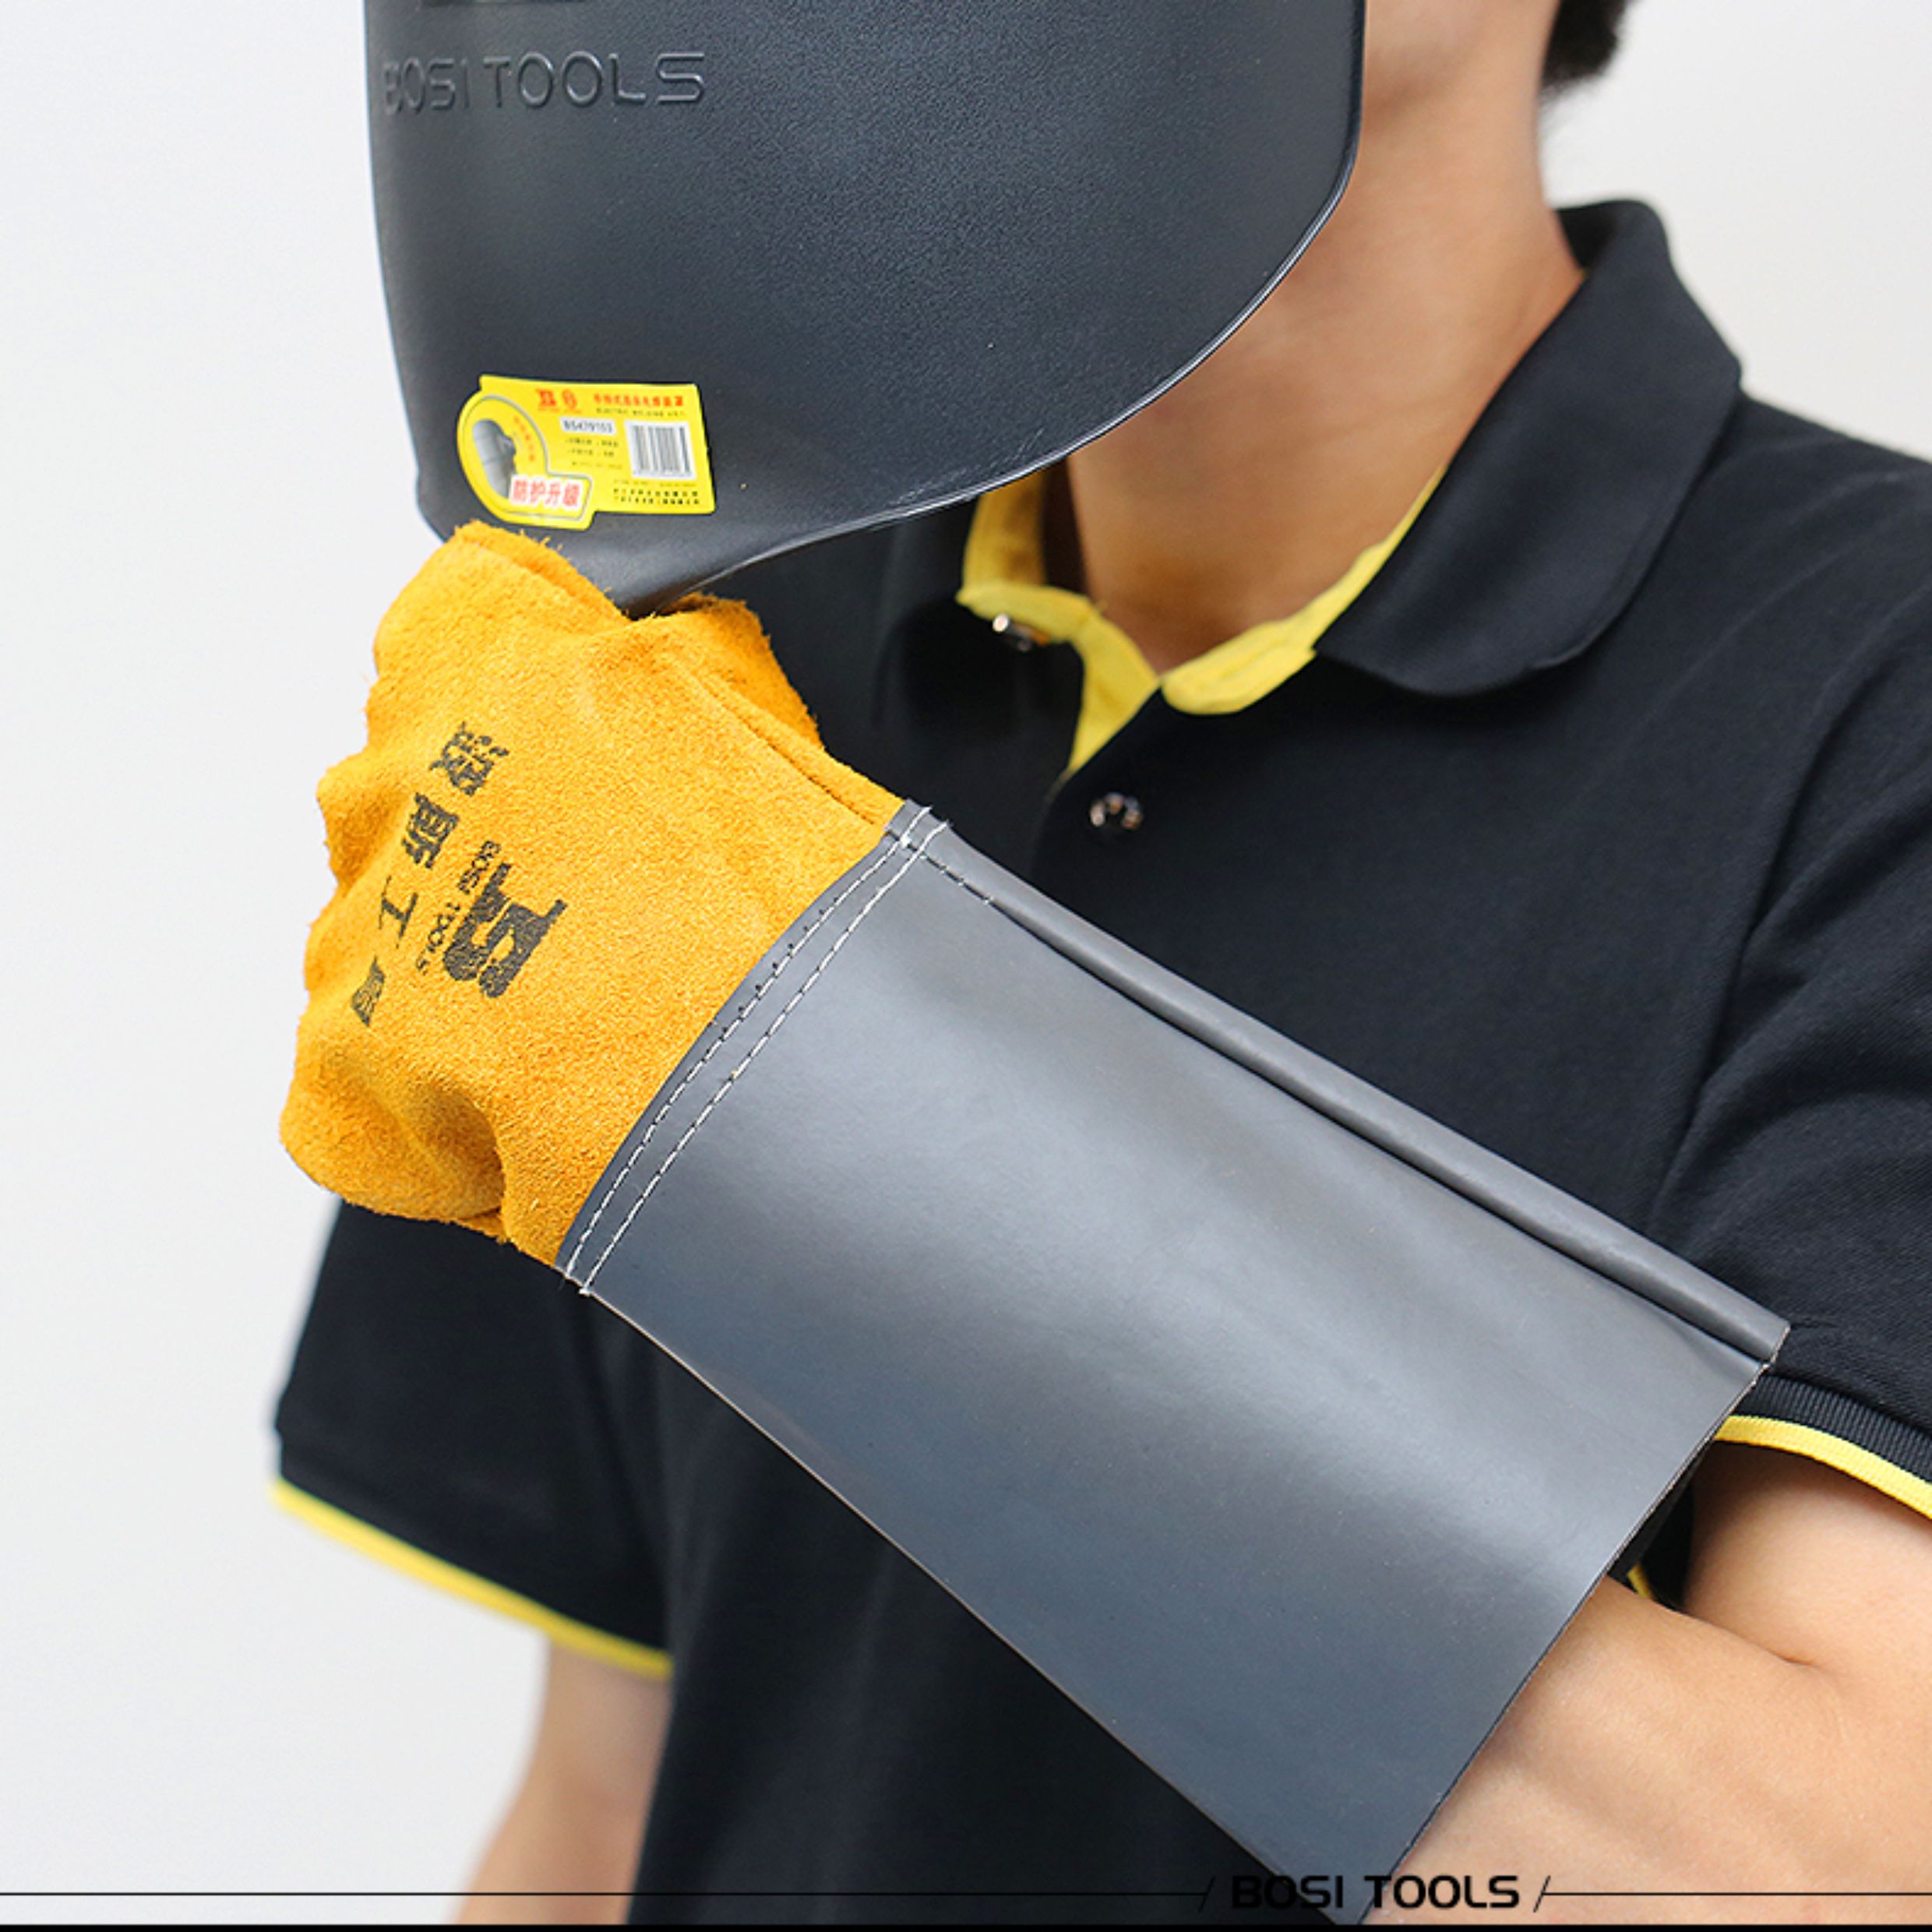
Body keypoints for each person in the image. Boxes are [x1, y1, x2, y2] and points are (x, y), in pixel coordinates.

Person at [276, 0, 1932, 1920]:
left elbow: (1828, 1870)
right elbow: (602, 1800)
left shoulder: (1878, 697)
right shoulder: (696, 699)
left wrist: (794, 1082)